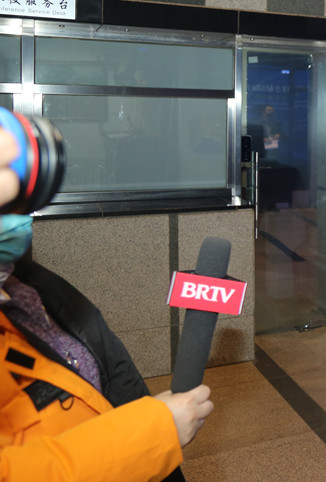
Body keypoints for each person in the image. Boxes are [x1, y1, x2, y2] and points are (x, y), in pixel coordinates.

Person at [0, 127, 214, 481]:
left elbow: (112, 372)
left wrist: (149, 426)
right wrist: (154, 432)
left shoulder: (29, 284)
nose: (17, 220)